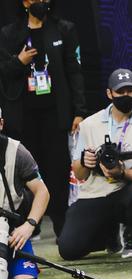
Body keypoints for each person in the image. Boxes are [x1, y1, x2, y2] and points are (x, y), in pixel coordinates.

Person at [0, 0, 87, 238]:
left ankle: (62, 226)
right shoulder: (9, 34)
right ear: (25, 2)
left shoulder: (64, 29)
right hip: (22, 116)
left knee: (57, 170)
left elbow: (74, 71)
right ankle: (31, 224)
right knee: (26, 172)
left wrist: (79, 111)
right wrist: (19, 62)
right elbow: (3, 72)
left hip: (55, 115)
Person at [57, 69, 132, 260]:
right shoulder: (89, 124)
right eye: (120, 92)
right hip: (94, 193)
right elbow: (79, 175)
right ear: (109, 93)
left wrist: (121, 172)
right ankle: (107, 234)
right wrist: (85, 162)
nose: (125, 96)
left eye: (130, 91)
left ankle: (131, 238)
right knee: (69, 250)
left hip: (126, 192)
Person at [0, 106, 50, 279]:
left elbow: (42, 191)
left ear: (0, 124)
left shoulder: (17, 151)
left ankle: (8, 269)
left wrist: (29, 225)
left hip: (11, 227)